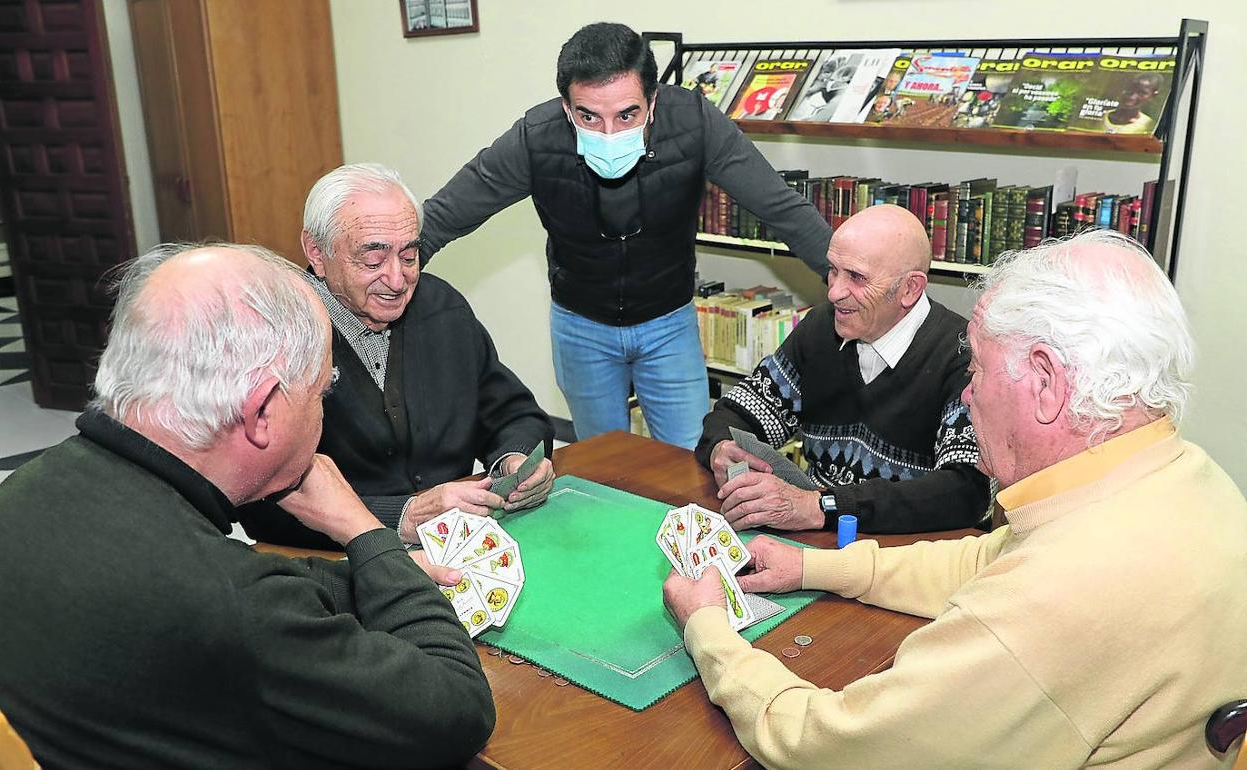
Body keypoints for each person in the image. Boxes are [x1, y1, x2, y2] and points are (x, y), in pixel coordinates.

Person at [664, 229, 1247, 767]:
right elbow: (991, 559)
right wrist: (815, 565)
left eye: (982, 371)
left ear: (1044, 382)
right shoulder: (1187, 475)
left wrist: (709, 628)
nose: (968, 395)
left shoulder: (1057, 600)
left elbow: (825, 745)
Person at [0, 243, 496, 767]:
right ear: (262, 412)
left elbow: (250, 586)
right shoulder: (227, 606)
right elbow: (458, 710)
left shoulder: (31, 488)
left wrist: (379, 575)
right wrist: (363, 530)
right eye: (320, 394)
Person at [418, 22, 833, 451]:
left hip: (668, 323)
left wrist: (850, 277)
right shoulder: (536, 138)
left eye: (627, 115)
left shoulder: (694, 122)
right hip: (581, 326)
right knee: (604, 464)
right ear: (566, 109)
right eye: (589, 117)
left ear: (652, 102)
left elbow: (780, 207)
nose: (609, 134)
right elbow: (447, 214)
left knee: (693, 459)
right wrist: (384, 269)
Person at [236, 163, 555, 550]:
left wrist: (514, 461)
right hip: (337, 563)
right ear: (316, 253)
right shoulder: (273, 338)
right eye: (372, 260)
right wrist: (401, 516)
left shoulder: (440, 307)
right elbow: (260, 505)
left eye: (409, 256)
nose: (396, 280)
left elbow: (510, 412)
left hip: (461, 543)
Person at [696, 204, 989, 534]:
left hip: (905, 553)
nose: (834, 291)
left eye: (857, 277)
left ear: (910, 289)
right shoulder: (821, 328)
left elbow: (964, 491)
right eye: (833, 270)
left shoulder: (964, 356)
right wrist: (720, 448)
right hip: (815, 536)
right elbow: (735, 414)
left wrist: (822, 506)